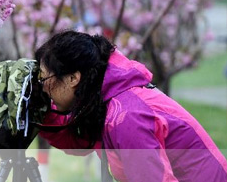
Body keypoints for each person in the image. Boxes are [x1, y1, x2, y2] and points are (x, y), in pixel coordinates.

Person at [34, 30, 227, 182]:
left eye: (44, 77)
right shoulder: (107, 101)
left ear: (73, 78)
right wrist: (36, 111)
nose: (43, 87)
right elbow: (79, 138)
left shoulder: (126, 117)